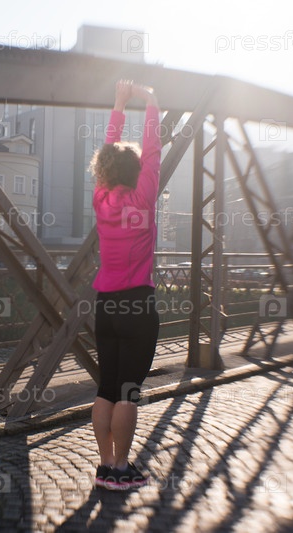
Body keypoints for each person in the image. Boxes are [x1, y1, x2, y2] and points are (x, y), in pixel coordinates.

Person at [90, 80, 161, 491]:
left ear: (104, 173)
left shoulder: (101, 200)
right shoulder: (143, 198)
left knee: (106, 387)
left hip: (105, 305)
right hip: (137, 304)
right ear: (137, 173)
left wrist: (118, 104)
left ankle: (104, 465)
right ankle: (120, 468)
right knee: (128, 392)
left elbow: (108, 151)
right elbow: (152, 151)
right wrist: (151, 102)